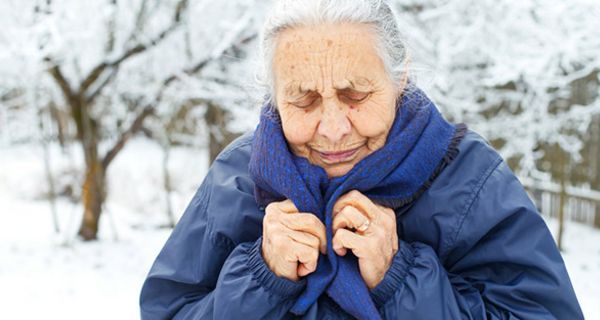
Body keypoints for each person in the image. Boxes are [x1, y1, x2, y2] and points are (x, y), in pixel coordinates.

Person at [139, 1, 583, 319]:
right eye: (304, 99)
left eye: (356, 95)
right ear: (274, 97)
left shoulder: (469, 180)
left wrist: (402, 279)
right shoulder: (236, 177)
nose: (333, 128)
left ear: (400, 77)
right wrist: (259, 278)